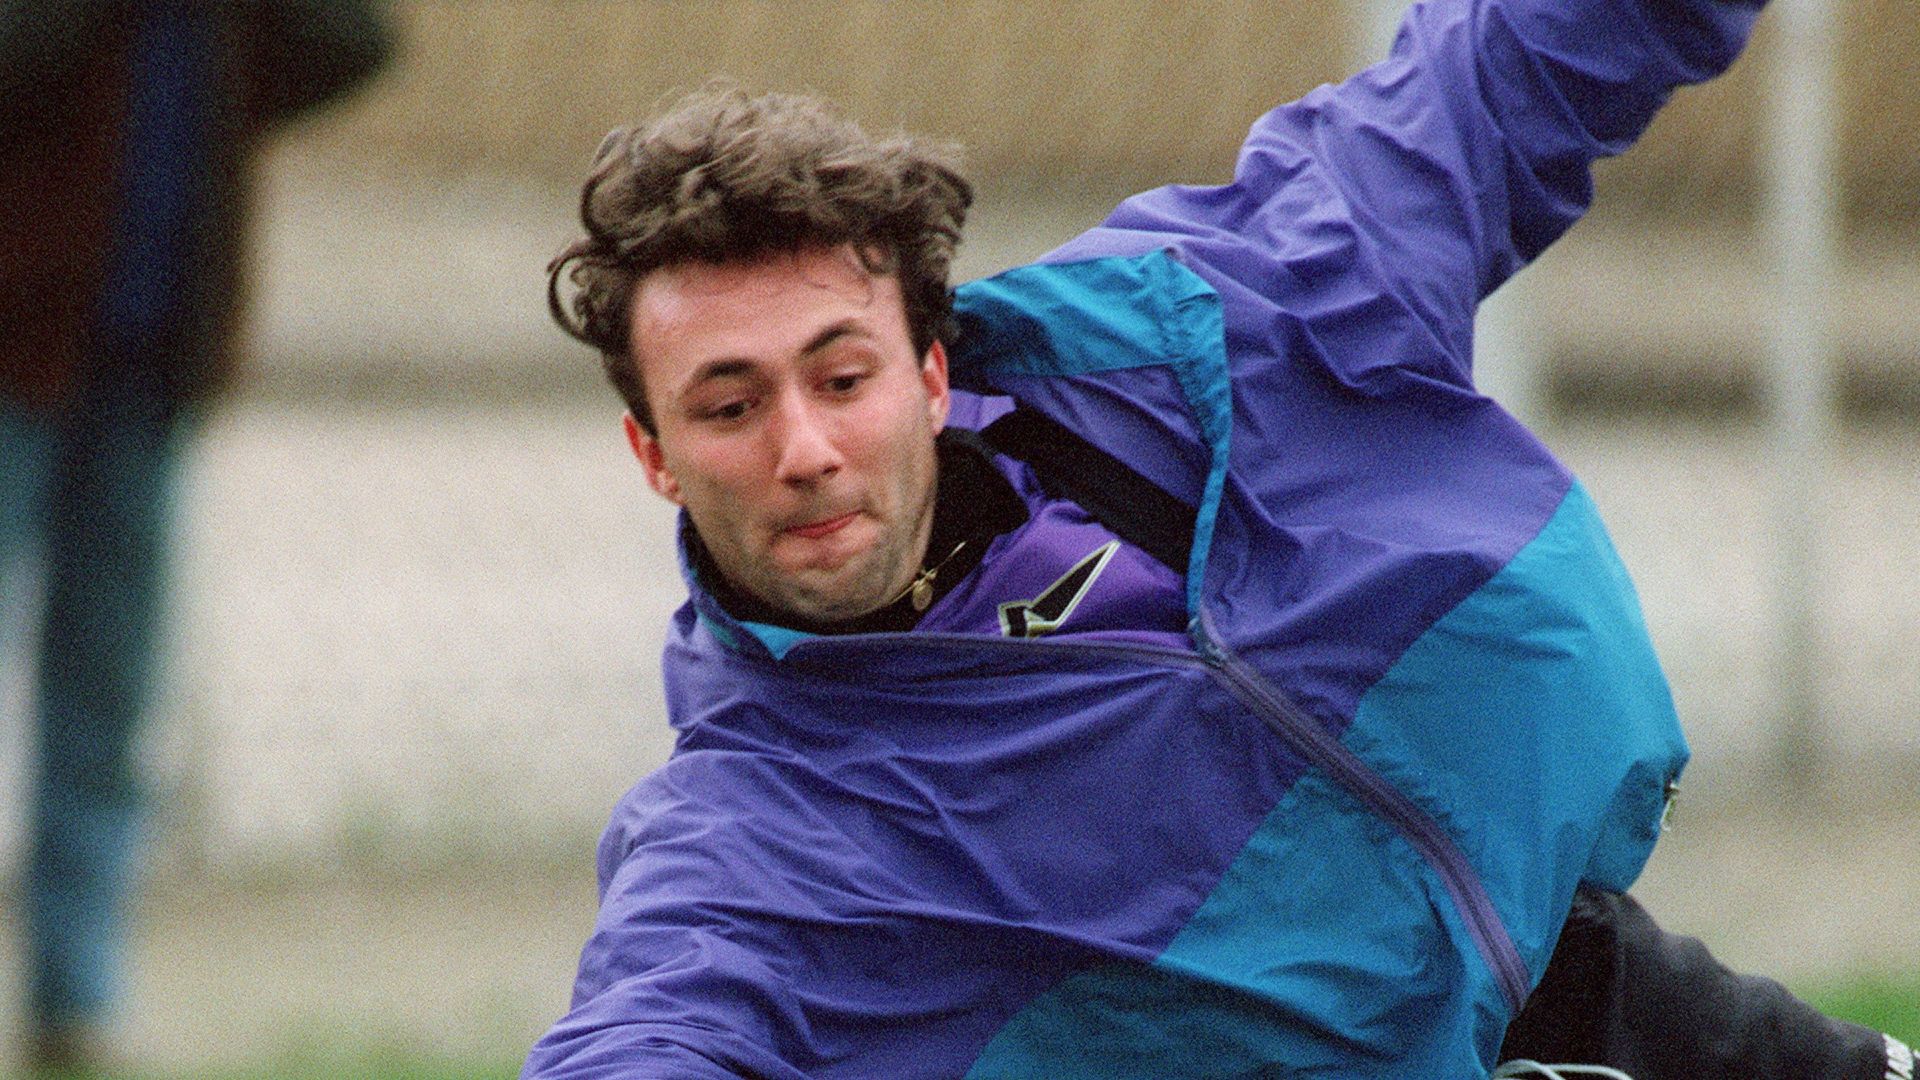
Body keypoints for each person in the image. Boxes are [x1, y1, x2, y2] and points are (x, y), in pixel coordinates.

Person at [529, 0, 1911, 1076]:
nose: (806, 449)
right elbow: (658, 1018)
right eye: (729, 404)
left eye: (842, 376)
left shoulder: (1213, 325)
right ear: (652, 453)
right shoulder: (765, 830)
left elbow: (1490, 88)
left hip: (1576, 974)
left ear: (932, 374)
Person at [0, 1, 391, 1071]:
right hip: (14, 353)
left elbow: (358, 45)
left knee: (107, 694)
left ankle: (74, 999)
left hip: (146, 361)